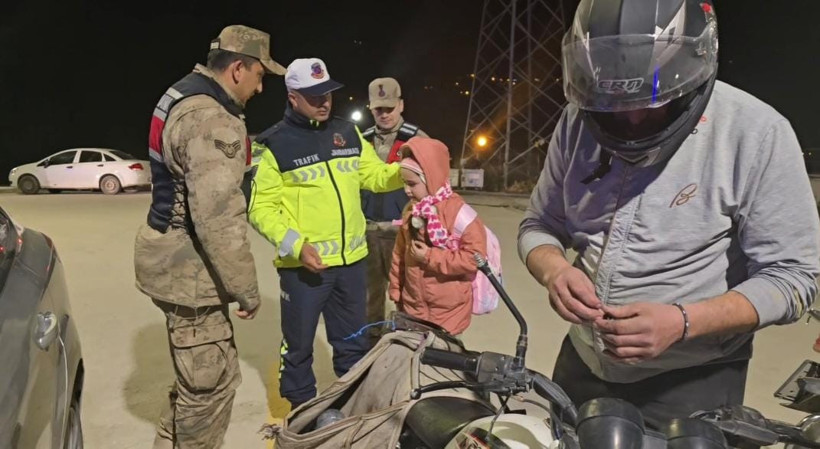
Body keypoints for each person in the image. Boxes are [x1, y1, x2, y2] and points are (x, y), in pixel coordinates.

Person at [517, 0, 820, 428]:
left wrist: (682, 322)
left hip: (691, 381)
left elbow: (793, 278)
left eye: (649, 99)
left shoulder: (756, 133)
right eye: (611, 98)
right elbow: (539, 225)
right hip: (582, 365)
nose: (628, 116)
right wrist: (553, 270)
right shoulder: (576, 123)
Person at [134, 25, 286, 448]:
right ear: (238, 68)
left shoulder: (182, 94)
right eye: (260, 76)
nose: (259, 88)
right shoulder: (212, 119)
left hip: (167, 257)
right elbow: (218, 217)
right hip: (190, 274)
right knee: (208, 392)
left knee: (190, 386)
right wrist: (247, 290)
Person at [247, 58, 404, 409]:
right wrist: (296, 246)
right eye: (314, 95)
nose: (324, 102)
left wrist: (405, 169)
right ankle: (301, 415)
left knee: (353, 343)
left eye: (328, 94)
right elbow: (260, 209)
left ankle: (349, 410)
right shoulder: (274, 144)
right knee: (299, 347)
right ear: (293, 97)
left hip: (351, 265)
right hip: (305, 270)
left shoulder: (347, 133)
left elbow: (376, 177)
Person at [388, 137, 487, 335]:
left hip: (448, 312)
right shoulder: (411, 210)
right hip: (413, 306)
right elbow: (399, 254)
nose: (407, 190)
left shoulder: (459, 214)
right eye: (404, 184)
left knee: (442, 360)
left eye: (412, 184)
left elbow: (475, 259)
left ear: (430, 178)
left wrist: (430, 257)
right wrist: (396, 289)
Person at [360, 77, 428, 346]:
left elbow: (433, 185)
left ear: (401, 105)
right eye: (379, 109)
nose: (385, 114)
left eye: (389, 107)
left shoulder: (418, 140)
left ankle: (405, 344)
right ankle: (370, 343)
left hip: (403, 231)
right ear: (370, 108)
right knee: (369, 295)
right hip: (367, 231)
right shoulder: (360, 141)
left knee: (407, 292)